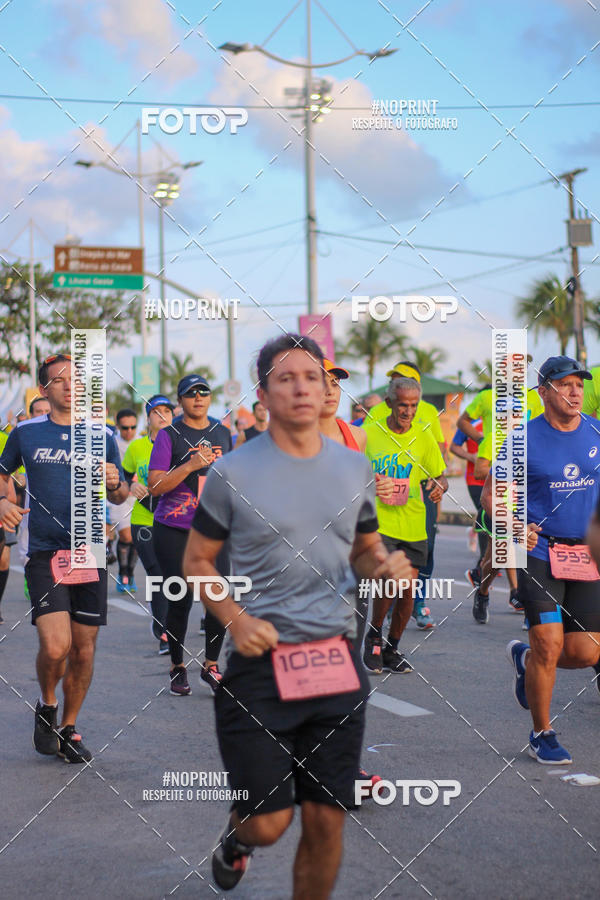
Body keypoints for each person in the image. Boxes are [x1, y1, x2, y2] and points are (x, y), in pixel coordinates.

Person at [183, 333, 412, 894]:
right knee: (269, 822)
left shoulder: (353, 468)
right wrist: (236, 620)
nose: (303, 387)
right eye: (286, 378)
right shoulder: (232, 474)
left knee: (327, 819)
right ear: (263, 394)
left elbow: (362, 547)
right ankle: (239, 836)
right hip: (260, 667)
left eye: (313, 376)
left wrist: (381, 565)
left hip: (335, 659)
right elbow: (197, 561)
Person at [0, 353, 127, 763]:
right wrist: (3, 500)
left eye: (76, 379)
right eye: (60, 380)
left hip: (89, 551)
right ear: (44, 390)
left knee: (84, 650)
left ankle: (69, 728)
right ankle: (47, 704)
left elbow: (119, 493)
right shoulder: (26, 433)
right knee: (56, 646)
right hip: (44, 551)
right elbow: (3, 475)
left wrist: (115, 483)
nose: (70, 385)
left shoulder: (102, 434)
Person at [481, 356, 600, 764]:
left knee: (586, 652)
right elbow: (490, 496)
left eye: (578, 385)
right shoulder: (521, 439)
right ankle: (542, 733)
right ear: (544, 391)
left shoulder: (597, 431)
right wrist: (515, 523)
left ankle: (526, 661)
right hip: (538, 550)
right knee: (549, 642)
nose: (574, 392)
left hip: (587, 554)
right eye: (565, 385)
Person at [148, 374, 232, 695]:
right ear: (180, 400)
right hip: (174, 529)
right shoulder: (170, 435)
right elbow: (155, 484)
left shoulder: (223, 431)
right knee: (180, 598)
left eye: (204, 392)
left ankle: (210, 666)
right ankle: (177, 666)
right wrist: (189, 465)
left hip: (213, 530)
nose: (198, 397)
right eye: (190, 393)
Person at [363, 374, 447, 673]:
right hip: (380, 523)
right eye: (402, 405)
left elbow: (439, 474)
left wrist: (440, 486)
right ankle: (373, 636)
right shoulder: (369, 434)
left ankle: (392, 648)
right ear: (389, 403)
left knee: (408, 591)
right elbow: (349, 473)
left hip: (413, 523)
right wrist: (369, 483)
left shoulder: (423, 437)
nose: (408, 412)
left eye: (413, 405)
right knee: (389, 581)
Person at [121, 394, 174, 655]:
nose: (162, 415)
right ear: (148, 416)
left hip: (175, 521)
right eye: (157, 411)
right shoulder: (137, 447)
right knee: (157, 573)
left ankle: (171, 624)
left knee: (176, 576)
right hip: (144, 520)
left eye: (167, 410)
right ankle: (165, 632)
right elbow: (122, 475)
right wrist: (131, 484)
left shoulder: (183, 445)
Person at [470, 432, 520, 623]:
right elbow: (479, 472)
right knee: (498, 558)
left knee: (532, 559)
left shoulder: (537, 435)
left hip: (529, 507)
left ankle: (528, 608)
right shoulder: (492, 439)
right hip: (501, 506)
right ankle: (482, 593)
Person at [109, 408, 139, 592]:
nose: (129, 431)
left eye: (133, 427)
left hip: (138, 497)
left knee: (135, 538)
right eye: (125, 427)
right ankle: (123, 574)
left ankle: (129, 573)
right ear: (118, 426)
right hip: (118, 497)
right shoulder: (112, 443)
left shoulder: (141, 443)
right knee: (126, 535)